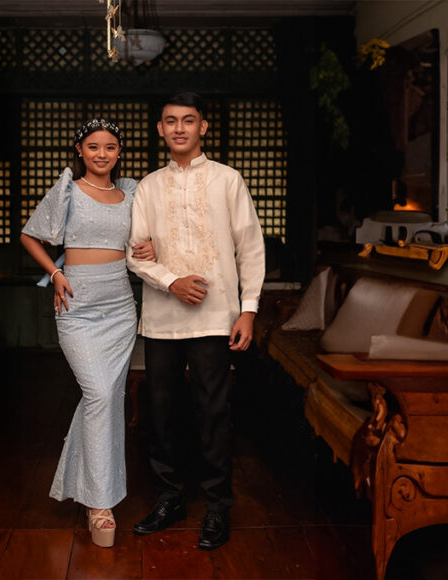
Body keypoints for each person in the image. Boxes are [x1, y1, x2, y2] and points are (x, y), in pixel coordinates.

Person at [126, 92, 265, 550]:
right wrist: (170, 280)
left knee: (213, 413)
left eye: (189, 120)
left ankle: (217, 505)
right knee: (163, 413)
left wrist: (248, 309)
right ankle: (170, 498)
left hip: (215, 316)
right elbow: (134, 251)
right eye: (170, 121)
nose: (179, 128)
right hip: (163, 317)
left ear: (204, 127)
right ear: (160, 129)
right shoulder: (147, 186)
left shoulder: (228, 180)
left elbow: (249, 246)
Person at [20, 118, 155, 548]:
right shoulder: (67, 190)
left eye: (110, 146)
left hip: (119, 307)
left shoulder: (131, 193)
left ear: (120, 152)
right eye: (93, 146)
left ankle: (98, 501)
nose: (102, 153)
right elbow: (29, 236)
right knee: (98, 394)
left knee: (105, 399)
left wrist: (152, 246)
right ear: (79, 150)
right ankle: (99, 502)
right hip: (77, 305)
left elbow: (146, 240)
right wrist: (54, 272)